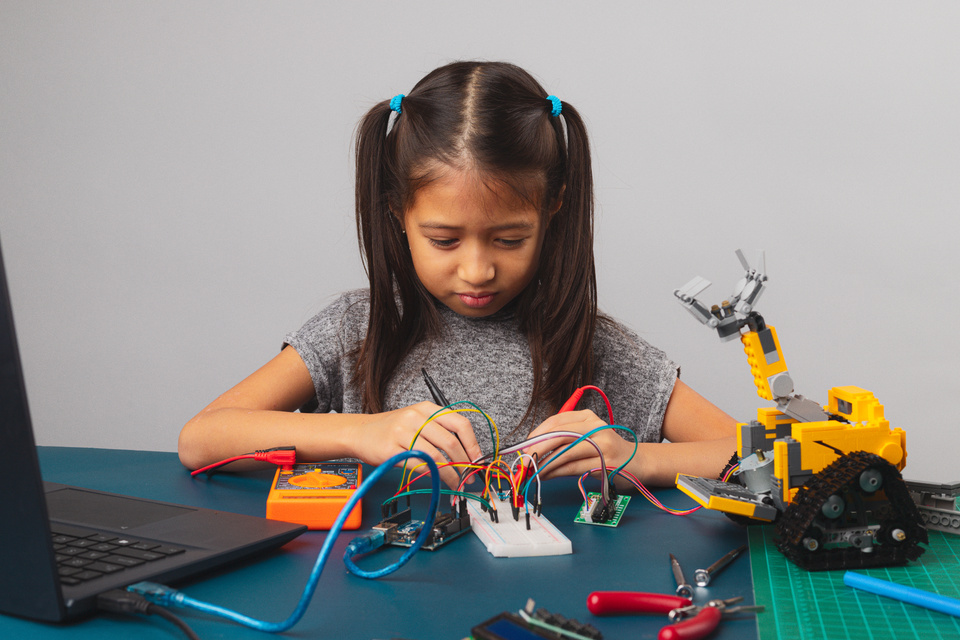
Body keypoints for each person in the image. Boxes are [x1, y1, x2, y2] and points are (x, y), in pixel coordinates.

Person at [178, 60, 737, 490]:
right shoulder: (356, 327)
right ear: (399, 212)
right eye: (444, 240)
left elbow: (761, 454)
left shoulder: (593, 346)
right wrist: (361, 431)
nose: (478, 269)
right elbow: (201, 438)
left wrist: (636, 457)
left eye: (510, 239)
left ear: (554, 210)